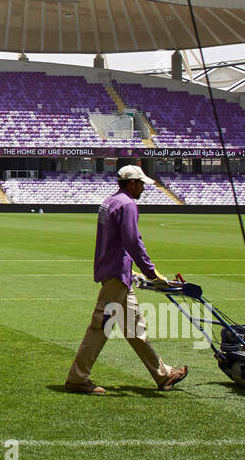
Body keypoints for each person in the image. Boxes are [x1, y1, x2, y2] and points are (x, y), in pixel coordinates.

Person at [65, 164, 188, 395]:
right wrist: (151, 272)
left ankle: (163, 375)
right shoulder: (128, 205)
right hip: (117, 273)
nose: (143, 188)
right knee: (101, 325)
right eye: (141, 184)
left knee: (134, 327)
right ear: (132, 184)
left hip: (115, 271)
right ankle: (77, 378)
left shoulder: (108, 202)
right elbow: (132, 241)